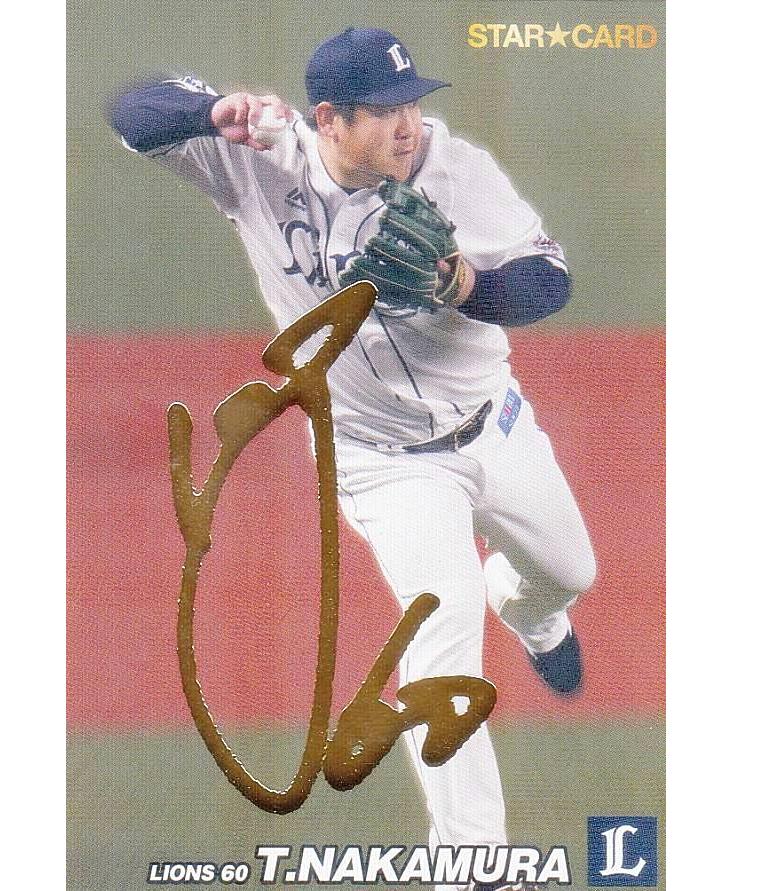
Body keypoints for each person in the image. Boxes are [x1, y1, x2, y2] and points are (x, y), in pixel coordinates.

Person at [111, 26, 596, 891]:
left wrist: (466, 286)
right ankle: (473, 864)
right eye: (382, 111)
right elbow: (133, 112)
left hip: (493, 423)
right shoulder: (259, 163)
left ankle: (532, 614)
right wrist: (212, 111)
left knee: (568, 571)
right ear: (328, 118)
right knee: (441, 633)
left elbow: (547, 282)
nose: (408, 125)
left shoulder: (457, 171)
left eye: (413, 104)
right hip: (383, 462)